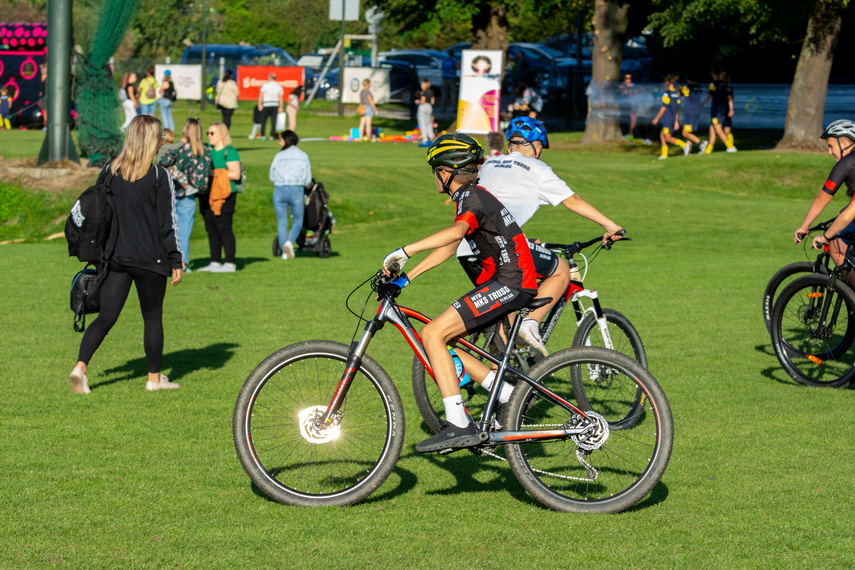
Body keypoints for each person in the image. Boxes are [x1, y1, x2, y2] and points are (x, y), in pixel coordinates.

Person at [381, 133, 538, 452]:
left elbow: (454, 233)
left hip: (511, 282)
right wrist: (405, 278)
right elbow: (451, 246)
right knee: (445, 338)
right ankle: (509, 397)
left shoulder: (471, 196)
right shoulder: (471, 196)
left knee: (433, 333)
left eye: (435, 170)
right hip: (510, 281)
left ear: (446, 171)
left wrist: (406, 250)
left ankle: (459, 422)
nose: (434, 177)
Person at [456, 117, 623, 356]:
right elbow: (573, 201)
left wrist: (523, 238)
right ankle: (531, 322)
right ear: (534, 145)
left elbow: (492, 208)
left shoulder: (491, 164)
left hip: (467, 250)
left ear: (510, 144)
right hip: (499, 247)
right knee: (561, 270)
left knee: (504, 316)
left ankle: (502, 380)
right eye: (541, 148)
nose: (541, 154)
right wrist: (611, 226)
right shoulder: (538, 170)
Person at [68, 115, 184, 395]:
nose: (162, 143)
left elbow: (96, 212)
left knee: (106, 316)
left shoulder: (110, 168)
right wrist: (176, 259)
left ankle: (80, 368)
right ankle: (153, 380)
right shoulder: (159, 175)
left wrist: (97, 252)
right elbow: (167, 222)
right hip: (151, 259)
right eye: (161, 138)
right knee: (153, 317)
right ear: (153, 141)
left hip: (115, 258)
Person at [795, 120, 855, 289]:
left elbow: (823, 198)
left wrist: (815, 231)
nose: (829, 152)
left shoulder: (846, 162)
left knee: (835, 246)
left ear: (843, 143)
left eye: (831, 146)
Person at [159, 118, 212, 271]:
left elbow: (162, 161)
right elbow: (203, 178)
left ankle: (165, 260)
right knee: (184, 230)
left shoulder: (179, 148)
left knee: (166, 228)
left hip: (172, 191)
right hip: (190, 193)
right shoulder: (205, 150)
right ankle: (183, 263)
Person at [197, 122, 241, 273]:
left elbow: (235, 173)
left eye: (212, 133)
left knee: (224, 228)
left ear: (222, 135)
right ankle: (215, 261)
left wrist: (215, 173)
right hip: (208, 194)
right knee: (211, 228)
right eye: (208, 133)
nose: (209, 136)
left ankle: (230, 262)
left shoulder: (230, 151)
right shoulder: (207, 151)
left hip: (225, 194)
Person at [269, 130, 312, 260]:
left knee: (282, 222)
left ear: (286, 140)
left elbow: (272, 175)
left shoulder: (279, 156)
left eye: (281, 140)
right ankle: (289, 242)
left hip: (279, 190)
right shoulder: (302, 155)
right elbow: (308, 178)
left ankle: (284, 252)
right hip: (296, 190)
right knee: (297, 221)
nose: (279, 142)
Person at [651, 74, 687, 160]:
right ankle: (664, 154)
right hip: (672, 118)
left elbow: (664, 107)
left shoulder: (667, 94)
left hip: (667, 118)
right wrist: (676, 121)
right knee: (662, 135)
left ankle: (684, 145)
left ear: (667, 82)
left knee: (667, 137)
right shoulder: (676, 94)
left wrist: (656, 118)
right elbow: (677, 109)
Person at [701, 68, 737, 154]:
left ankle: (730, 147)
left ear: (715, 75)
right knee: (712, 130)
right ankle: (708, 152)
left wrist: (702, 103)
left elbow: (709, 96)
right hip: (724, 110)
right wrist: (731, 109)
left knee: (718, 129)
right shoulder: (727, 86)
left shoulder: (713, 84)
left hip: (717, 111)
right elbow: (730, 98)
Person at [679, 75, 703, 155]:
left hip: (689, 112)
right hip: (697, 111)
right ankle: (688, 151)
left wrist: (680, 89)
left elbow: (680, 95)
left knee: (685, 133)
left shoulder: (687, 87)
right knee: (689, 132)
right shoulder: (699, 87)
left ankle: (701, 143)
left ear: (688, 79)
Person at [257, 73, 283, 140]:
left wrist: (260, 104)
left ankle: (263, 135)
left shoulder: (265, 85)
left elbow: (261, 95)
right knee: (273, 121)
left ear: (270, 77)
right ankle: (272, 135)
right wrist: (281, 107)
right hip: (275, 105)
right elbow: (281, 98)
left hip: (266, 104)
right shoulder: (278, 86)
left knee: (263, 121)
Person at [417, 79, 435, 147]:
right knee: (428, 122)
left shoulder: (424, 93)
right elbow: (433, 102)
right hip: (429, 107)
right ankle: (431, 136)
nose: (421, 85)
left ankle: (424, 138)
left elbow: (422, 101)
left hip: (423, 107)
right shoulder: (431, 92)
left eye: (422, 84)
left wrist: (417, 101)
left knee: (422, 122)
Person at [620, 73, 638, 139]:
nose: (628, 80)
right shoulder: (621, 86)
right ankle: (625, 135)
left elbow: (635, 95)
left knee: (633, 120)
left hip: (632, 105)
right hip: (624, 107)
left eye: (629, 78)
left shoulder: (633, 86)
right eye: (626, 78)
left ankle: (630, 134)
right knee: (624, 121)